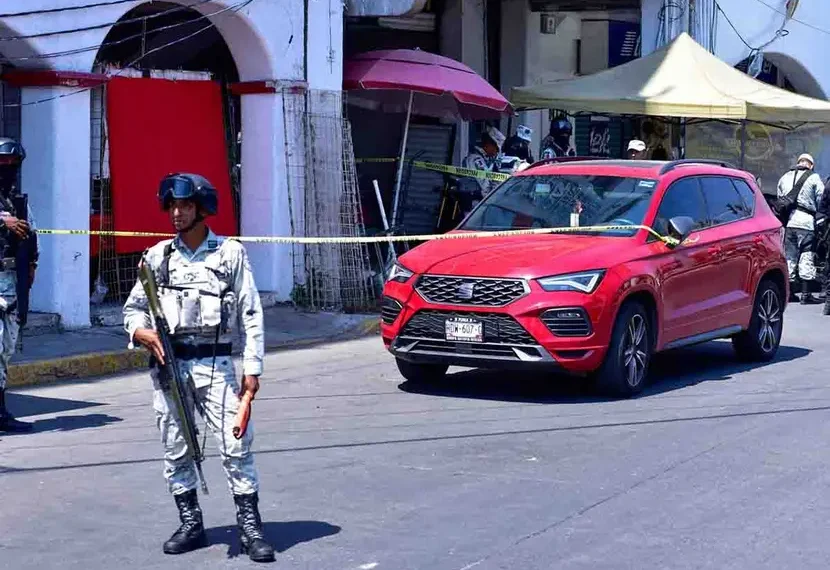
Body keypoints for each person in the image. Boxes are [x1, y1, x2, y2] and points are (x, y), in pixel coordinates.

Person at [123, 173, 275, 562]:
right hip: (169, 365)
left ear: (202, 208)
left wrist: (252, 368)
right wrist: (141, 332)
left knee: (235, 444)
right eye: (172, 206)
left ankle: (250, 526)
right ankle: (190, 521)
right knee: (175, 447)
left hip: (216, 361)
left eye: (185, 206)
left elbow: (251, 313)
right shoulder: (157, 258)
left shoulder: (229, 254)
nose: (176, 213)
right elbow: (133, 308)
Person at [0, 138, 38, 433]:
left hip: (13, 282)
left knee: (7, 347)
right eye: (2, 164)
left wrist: (32, 266)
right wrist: (4, 221)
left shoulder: (18, 201)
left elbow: (32, 233)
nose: (7, 169)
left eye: (12, 165)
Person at [776, 153, 825, 304]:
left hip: (789, 223)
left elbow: (780, 198)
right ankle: (806, 294)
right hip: (806, 223)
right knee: (806, 255)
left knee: (790, 257)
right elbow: (821, 198)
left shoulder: (784, 177)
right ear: (810, 165)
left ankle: (790, 294)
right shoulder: (814, 177)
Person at [462, 125, 505, 199]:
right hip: (474, 204)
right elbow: (486, 189)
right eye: (496, 149)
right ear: (489, 144)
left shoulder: (487, 160)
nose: (497, 152)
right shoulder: (475, 160)